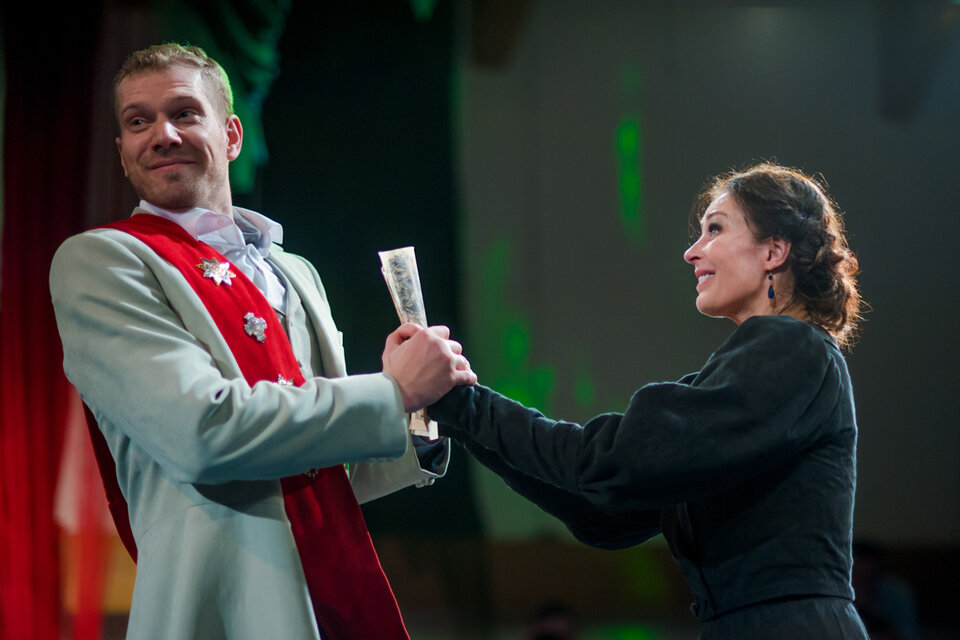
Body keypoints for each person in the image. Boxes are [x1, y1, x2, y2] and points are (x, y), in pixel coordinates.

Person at [50, 43, 476, 640]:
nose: (162, 135)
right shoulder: (104, 260)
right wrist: (391, 392)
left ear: (231, 136)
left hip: (334, 594)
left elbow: (322, 470)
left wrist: (420, 417)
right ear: (122, 154)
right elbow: (203, 433)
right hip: (217, 607)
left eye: (184, 113)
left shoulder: (294, 272)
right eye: (138, 122)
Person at [427, 163, 869, 638]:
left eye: (715, 229)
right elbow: (603, 515)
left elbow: (615, 462)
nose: (691, 251)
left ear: (774, 251)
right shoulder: (753, 371)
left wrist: (466, 406)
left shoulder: (792, 348)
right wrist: (461, 414)